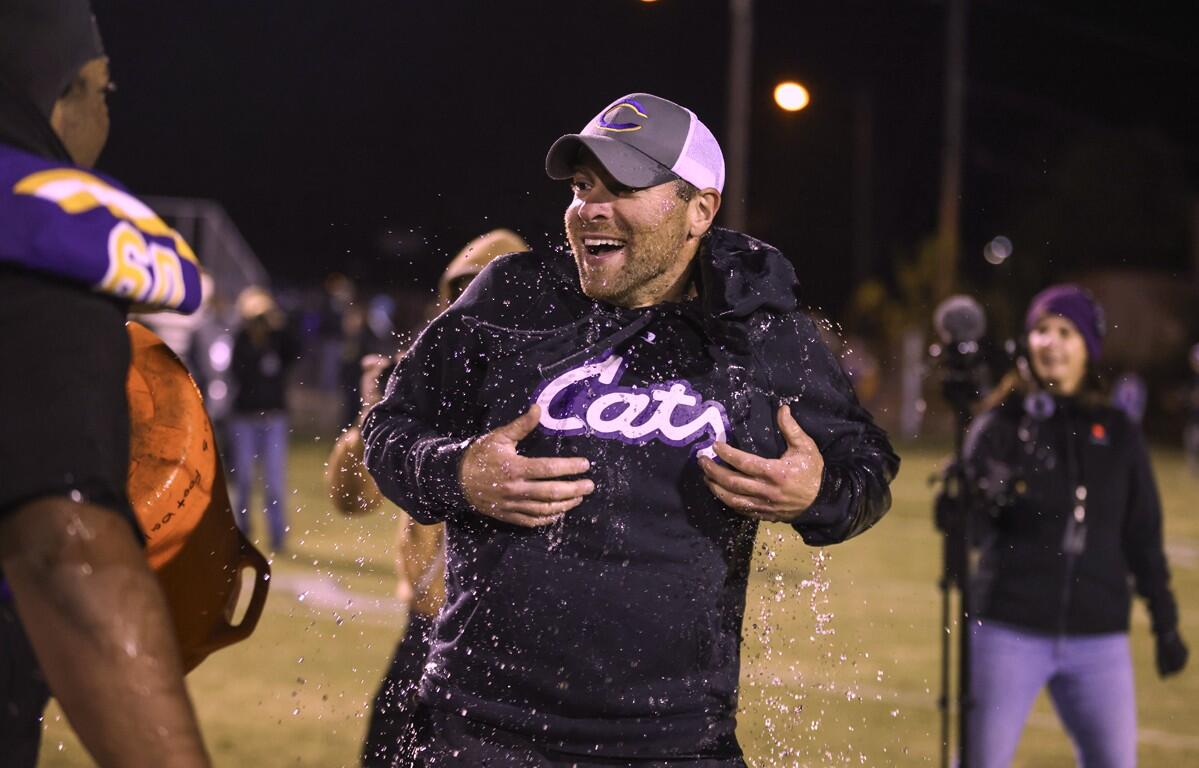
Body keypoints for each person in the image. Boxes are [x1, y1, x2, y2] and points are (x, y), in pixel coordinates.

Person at [363, 93, 898, 766]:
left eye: (623, 188)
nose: (589, 206)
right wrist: (459, 471)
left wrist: (813, 493)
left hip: (673, 742)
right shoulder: (509, 297)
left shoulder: (757, 332)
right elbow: (388, 431)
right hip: (483, 731)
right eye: (584, 185)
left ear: (698, 210)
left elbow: (867, 467)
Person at [0, 1, 211, 765]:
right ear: (60, 93)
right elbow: (64, 551)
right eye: (103, 92)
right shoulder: (39, 241)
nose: (105, 115)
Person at [327, 228, 530, 768]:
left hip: (520, 639)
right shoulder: (431, 381)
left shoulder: (557, 388)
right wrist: (370, 421)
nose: (476, 308)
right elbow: (352, 500)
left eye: (489, 290)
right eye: (462, 292)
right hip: (430, 627)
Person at [964, 284, 1188, 768]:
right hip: (1008, 628)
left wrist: (1165, 622)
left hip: (1098, 640)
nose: (1050, 342)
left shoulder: (1120, 432)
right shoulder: (1002, 424)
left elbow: (1142, 536)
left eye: (1065, 331)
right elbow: (971, 531)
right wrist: (984, 492)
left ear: (1089, 346)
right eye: (1041, 330)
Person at [229, 285, 297, 552]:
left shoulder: (278, 340)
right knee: (244, 479)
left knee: (274, 481)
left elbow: (296, 349)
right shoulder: (240, 340)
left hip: (273, 419)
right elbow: (238, 373)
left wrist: (276, 324)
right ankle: (242, 532)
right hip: (245, 418)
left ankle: (277, 538)